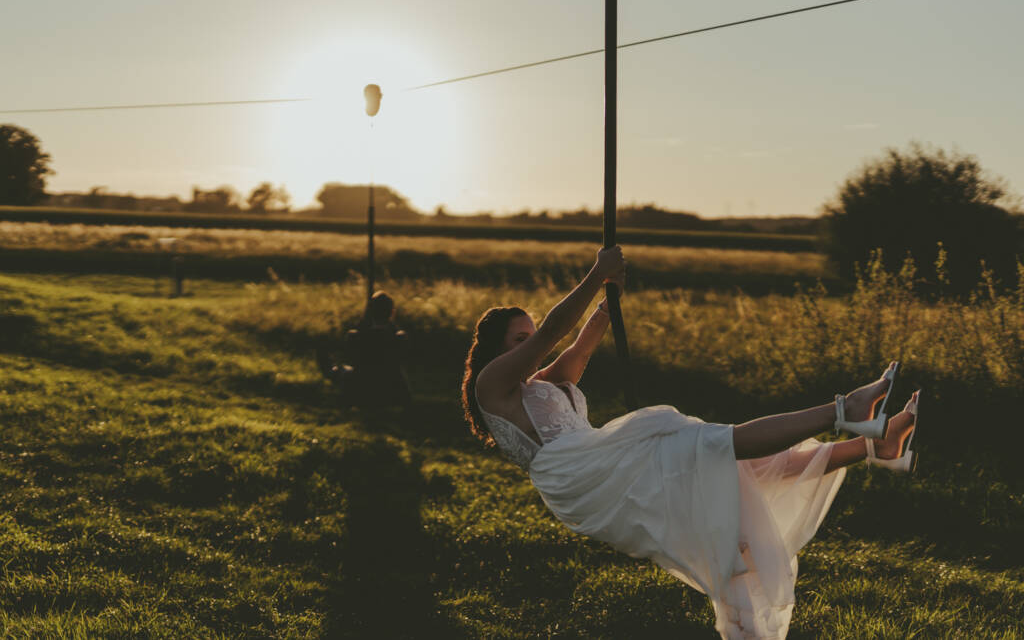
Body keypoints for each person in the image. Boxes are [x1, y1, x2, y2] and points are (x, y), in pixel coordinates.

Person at [462, 246, 920, 639]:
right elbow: (552, 334)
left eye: (529, 335)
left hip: (602, 458)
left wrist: (608, 300)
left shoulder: (542, 381)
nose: (530, 345)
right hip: (578, 476)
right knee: (714, 448)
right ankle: (845, 411)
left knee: (735, 465)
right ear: (497, 349)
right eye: (519, 339)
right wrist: (596, 273)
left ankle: (872, 446)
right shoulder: (491, 386)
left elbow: (578, 347)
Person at [317, 291, 411, 406]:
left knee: (339, 369)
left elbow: (348, 357)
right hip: (391, 388)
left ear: (370, 311)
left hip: (361, 387)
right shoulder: (399, 338)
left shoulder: (355, 336)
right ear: (392, 312)